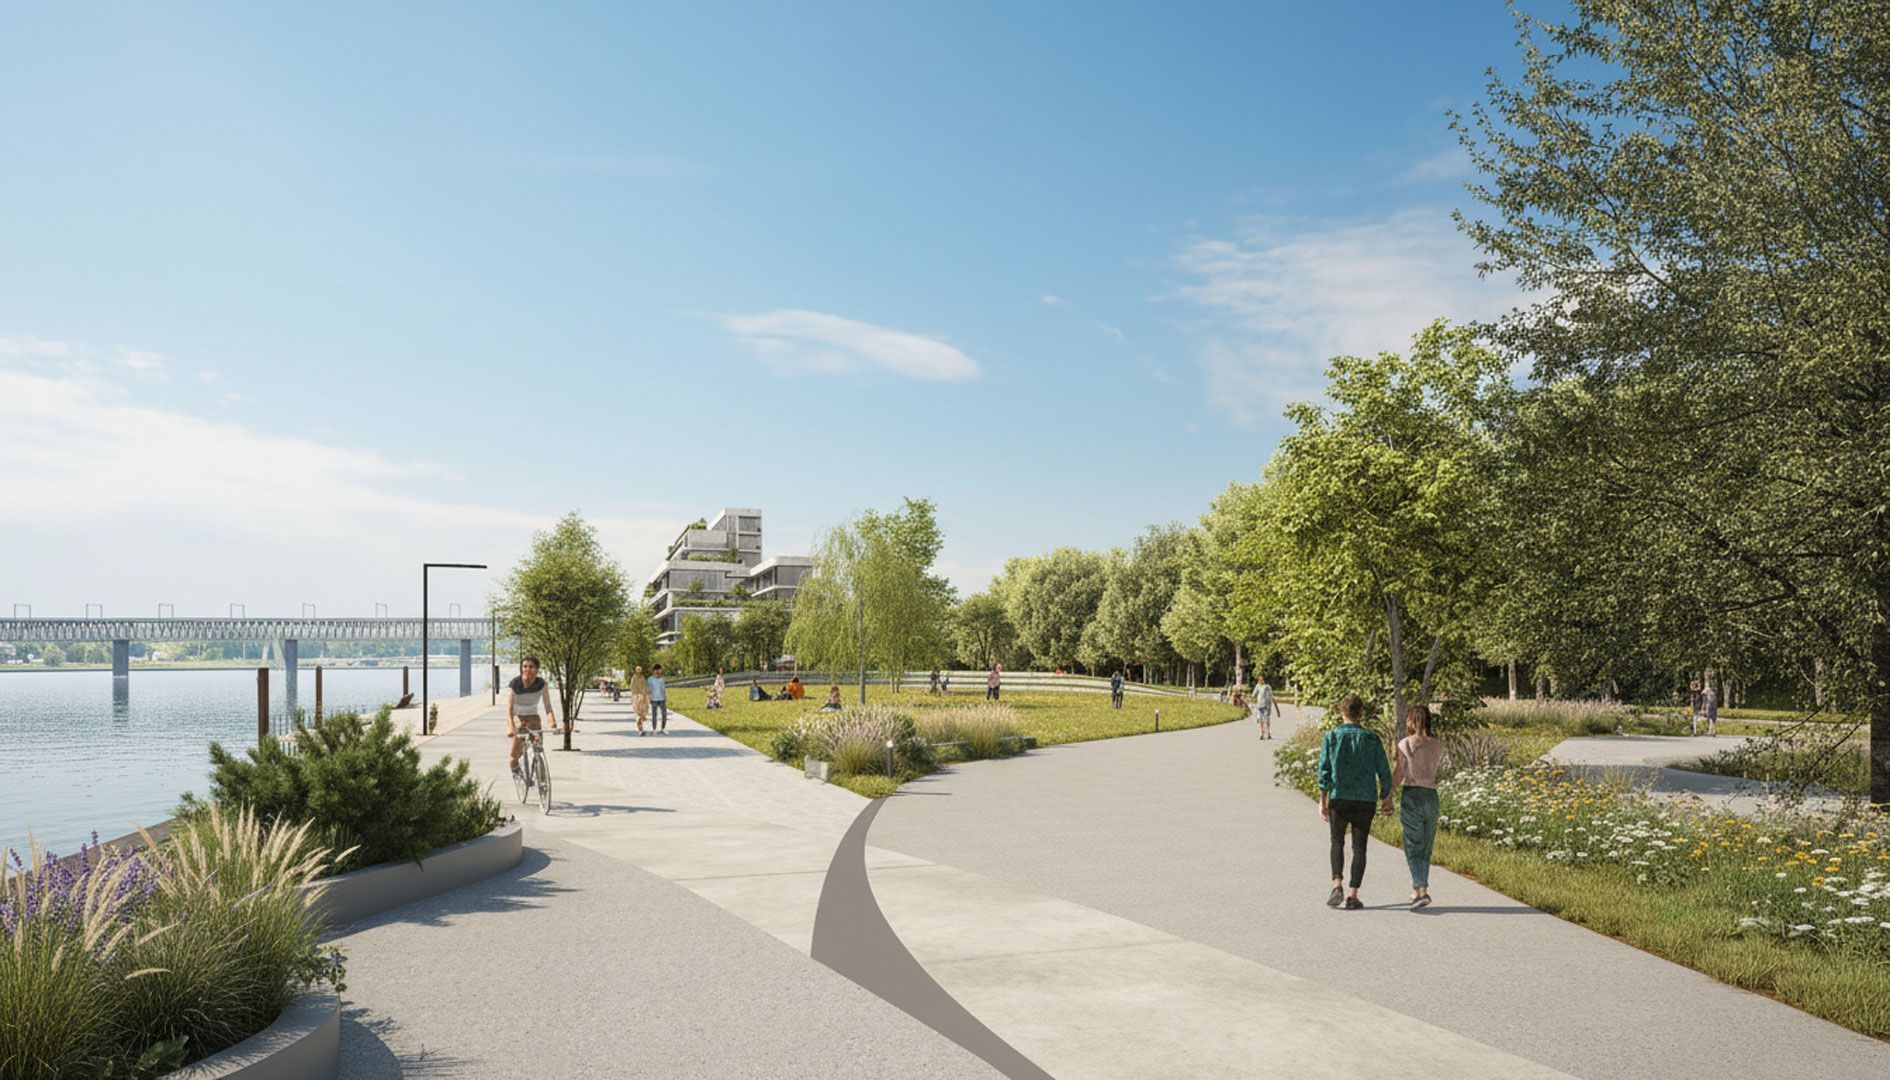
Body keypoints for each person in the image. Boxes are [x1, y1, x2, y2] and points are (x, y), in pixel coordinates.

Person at [1317, 694, 1393, 910]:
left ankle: (1336, 884)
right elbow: (1384, 771)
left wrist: (1323, 800)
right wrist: (1386, 796)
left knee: (1336, 841)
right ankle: (1353, 895)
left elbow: (1324, 770)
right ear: (1360, 713)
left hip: (1339, 797)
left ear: (1342, 712)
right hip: (1364, 798)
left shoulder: (1331, 737)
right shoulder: (1372, 739)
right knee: (1360, 847)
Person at [1392, 704, 1445, 908]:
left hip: (1412, 794)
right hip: (1431, 796)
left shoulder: (1404, 744)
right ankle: (1420, 890)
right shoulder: (1438, 746)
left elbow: (1400, 772)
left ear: (1412, 721)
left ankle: (1420, 888)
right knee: (1426, 845)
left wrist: (1388, 795)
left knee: (1412, 844)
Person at [506, 656, 561, 775]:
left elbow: (548, 706)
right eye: (524, 666)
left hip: (532, 716)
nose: (527, 669)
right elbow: (509, 709)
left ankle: (538, 763)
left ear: (537, 669)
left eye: (531, 667)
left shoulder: (541, 684)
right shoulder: (515, 684)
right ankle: (513, 761)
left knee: (537, 741)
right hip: (517, 716)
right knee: (519, 737)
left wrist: (552, 723)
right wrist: (511, 727)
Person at [1253, 674, 1281, 740]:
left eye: (1261, 680)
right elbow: (1254, 694)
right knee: (1261, 720)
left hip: (1266, 706)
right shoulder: (1257, 686)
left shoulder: (1267, 687)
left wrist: (1273, 704)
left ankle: (1268, 733)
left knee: (1266, 720)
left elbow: (1271, 696)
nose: (1260, 681)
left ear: (1264, 680)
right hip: (1259, 705)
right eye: (1259, 680)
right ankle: (1262, 733)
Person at [628, 665, 651, 734]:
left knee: (638, 713)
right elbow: (645, 687)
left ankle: (640, 729)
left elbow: (632, 687)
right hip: (641, 697)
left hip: (637, 697)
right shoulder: (640, 678)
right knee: (641, 713)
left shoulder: (634, 678)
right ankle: (640, 729)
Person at [649, 665, 669, 734]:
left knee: (664, 714)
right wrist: (649, 698)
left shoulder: (662, 679)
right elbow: (649, 689)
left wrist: (665, 697)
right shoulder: (650, 679)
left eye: (660, 670)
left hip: (662, 699)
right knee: (654, 715)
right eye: (657, 670)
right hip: (654, 699)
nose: (659, 671)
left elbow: (663, 689)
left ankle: (663, 728)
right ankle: (654, 729)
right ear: (654, 671)